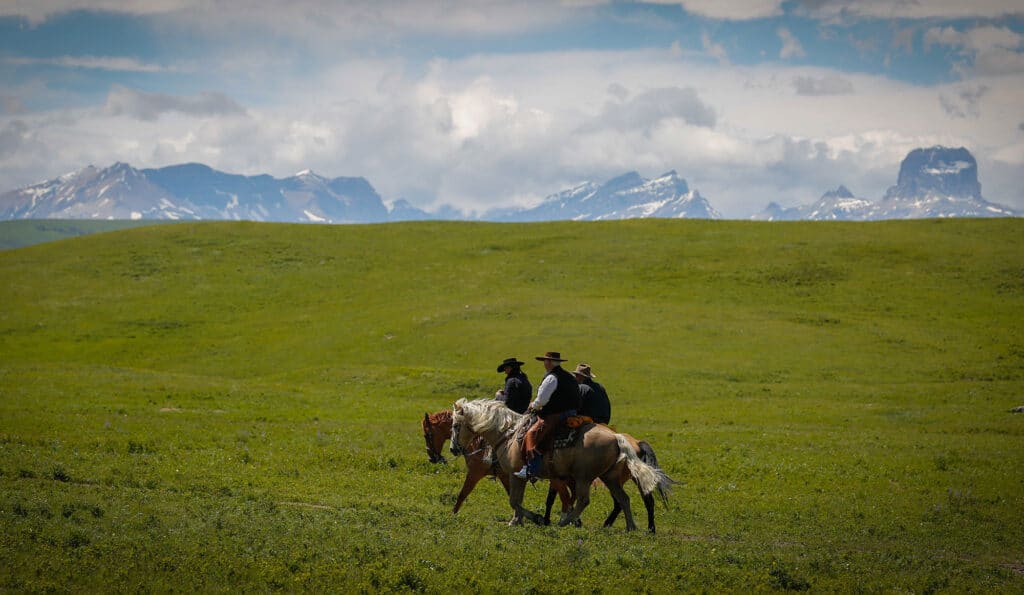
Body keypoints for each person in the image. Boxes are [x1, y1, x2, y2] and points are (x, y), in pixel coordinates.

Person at [513, 351, 581, 479]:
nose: (544, 363)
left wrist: (533, 406)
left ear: (549, 362)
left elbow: (542, 400)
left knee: (531, 434)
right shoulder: (570, 376)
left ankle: (531, 469)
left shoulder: (552, 377)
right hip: (572, 413)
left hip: (554, 415)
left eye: (545, 361)